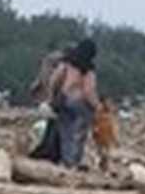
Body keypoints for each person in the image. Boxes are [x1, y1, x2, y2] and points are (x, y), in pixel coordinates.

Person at [48, 38, 100, 169]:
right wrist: (98, 106)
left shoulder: (66, 63)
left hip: (63, 100)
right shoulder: (88, 69)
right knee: (79, 133)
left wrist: (51, 97)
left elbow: (53, 80)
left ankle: (67, 162)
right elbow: (89, 91)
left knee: (65, 133)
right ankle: (74, 161)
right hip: (79, 103)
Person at [92, 96, 119, 172]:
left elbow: (114, 126)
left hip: (107, 134)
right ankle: (102, 165)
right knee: (101, 151)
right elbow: (95, 123)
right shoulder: (98, 112)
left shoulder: (109, 113)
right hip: (101, 133)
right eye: (107, 102)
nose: (109, 104)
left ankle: (106, 166)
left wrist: (115, 138)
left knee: (107, 152)